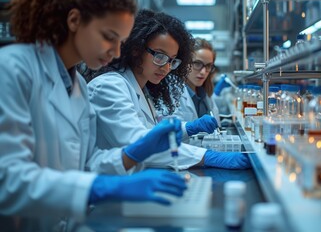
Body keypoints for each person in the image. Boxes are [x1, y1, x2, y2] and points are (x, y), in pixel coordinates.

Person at [0, 0, 187, 231]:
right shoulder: (11, 69)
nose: (118, 52)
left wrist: (133, 153)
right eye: (109, 37)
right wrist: (103, 188)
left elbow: (86, 164)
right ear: (75, 20)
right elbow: (8, 179)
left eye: (121, 41)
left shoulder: (78, 85)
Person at [86, 9, 251, 170]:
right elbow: (140, 143)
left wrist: (188, 128)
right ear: (136, 49)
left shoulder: (144, 91)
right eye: (160, 56)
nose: (166, 68)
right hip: (111, 182)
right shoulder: (109, 87)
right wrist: (207, 156)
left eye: (172, 60)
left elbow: (152, 134)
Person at [173, 38, 221, 123]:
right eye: (197, 64)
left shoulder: (204, 93)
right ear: (185, 63)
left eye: (208, 66)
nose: (203, 72)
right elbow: (173, 129)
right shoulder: (174, 93)